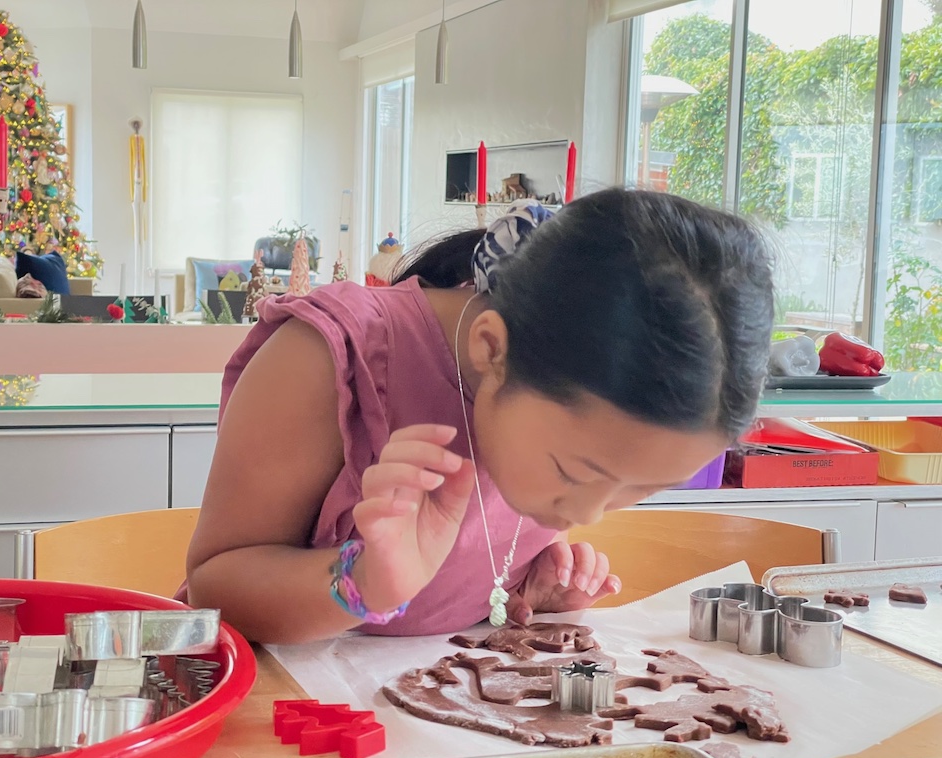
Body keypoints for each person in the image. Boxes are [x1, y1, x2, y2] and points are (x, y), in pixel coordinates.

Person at [184, 188, 775, 645]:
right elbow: (215, 587)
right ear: (491, 349)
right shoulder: (327, 358)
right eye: (574, 473)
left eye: (641, 489)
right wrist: (361, 585)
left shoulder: (575, 408)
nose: (589, 515)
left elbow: (471, 557)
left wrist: (527, 582)